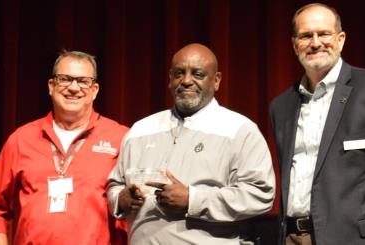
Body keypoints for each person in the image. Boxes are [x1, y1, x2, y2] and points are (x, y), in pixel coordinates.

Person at [269, 3, 365, 245]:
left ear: (341, 40)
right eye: (306, 35)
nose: (316, 42)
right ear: (294, 44)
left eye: (324, 34)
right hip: (293, 237)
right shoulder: (281, 105)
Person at [107, 43, 275, 244]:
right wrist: (121, 199)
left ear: (216, 80)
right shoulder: (140, 129)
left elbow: (260, 194)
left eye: (198, 74)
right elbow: (115, 184)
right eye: (179, 73)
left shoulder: (240, 130)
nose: (186, 81)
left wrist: (193, 199)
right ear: (170, 79)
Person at [0, 50, 129, 244]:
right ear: (51, 86)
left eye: (83, 81)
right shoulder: (21, 139)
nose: (74, 88)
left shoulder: (121, 138)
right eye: (65, 79)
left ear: (95, 90)